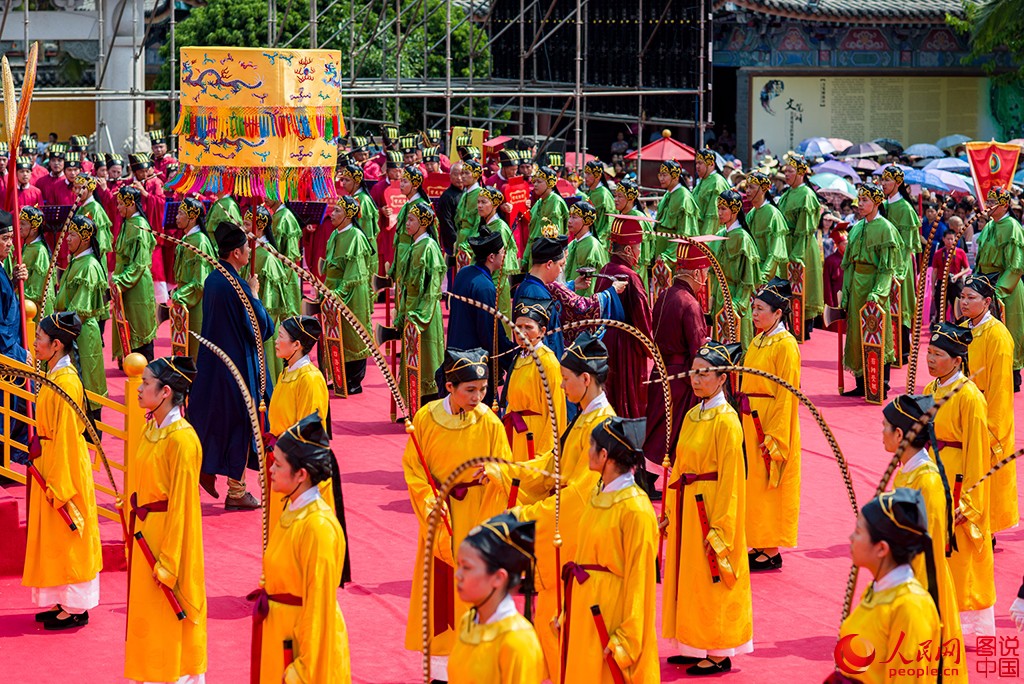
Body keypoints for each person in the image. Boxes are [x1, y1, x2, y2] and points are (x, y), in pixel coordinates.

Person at [495, 332, 616, 678]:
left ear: (586, 379)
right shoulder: (585, 417)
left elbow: (579, 494)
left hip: (580, 544)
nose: (561, 386)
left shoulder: (602, 426)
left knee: (570, 640)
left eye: (565, 379)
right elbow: (553, 463)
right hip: (564, 540)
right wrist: (509, 472)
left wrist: (524, 517)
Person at [402, 348, 510, 680]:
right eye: (470, 389)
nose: (479, 396)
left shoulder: (489, 421)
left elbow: (506, 466)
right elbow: (414, 469)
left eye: (483, 388)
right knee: (438, 592)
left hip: (476, 514)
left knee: (474, 587)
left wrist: (492, 472)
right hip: (439, 515)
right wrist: (429, 501)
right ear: (450, 386)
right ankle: (438, 670)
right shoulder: (426, 418)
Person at [662, 340, 752, 675]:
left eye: (704, 374)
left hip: (710, 507)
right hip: (688, 503)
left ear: (722, 378)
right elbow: (680, 466)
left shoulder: (727, 421)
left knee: (710, 577)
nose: (696, 379)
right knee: (689, 578)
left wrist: (722, 526)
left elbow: (732, 481)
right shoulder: (692, 414)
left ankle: (717, 650)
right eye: (694, 373)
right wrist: (670, 511)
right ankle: (691, 641)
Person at [125, 355, 208, 683]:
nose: (139, 388)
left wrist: (170, 563)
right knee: (149, 615)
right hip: (147, 532)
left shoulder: (182, 439)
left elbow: (184, 507)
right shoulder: (151, 427)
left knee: (169, 614)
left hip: (170, 539)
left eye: (146, 383)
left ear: (165, 393)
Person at [253, 413, 351, 684]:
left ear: (301, 474)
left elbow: (320, 608)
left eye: (279, 464)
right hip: (281, 636)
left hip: (302, 650)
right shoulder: (292, 510)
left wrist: (304, 669)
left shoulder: (318, 526)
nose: (270, 468)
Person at [561, 416, 659, 683]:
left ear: (604, 455)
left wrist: (626, 640)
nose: (587, 452)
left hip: (611, 615)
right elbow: (582, 554)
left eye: (591, 446)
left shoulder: (636, 509)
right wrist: (567, 610)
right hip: (585, 609)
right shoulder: (598, 494)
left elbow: (642, 582)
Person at [23, 312, 102, 630]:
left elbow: (69, 438)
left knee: (68, 537)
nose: (36, 342)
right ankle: (58, 599)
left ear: (57, 345)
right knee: (54, 539)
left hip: (62, 468)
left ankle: (74, 606)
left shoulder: (66, 382)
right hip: (50, 460)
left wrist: (60, 484)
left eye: (40, 337)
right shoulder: (56, 375)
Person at [190, 221, 275, 510]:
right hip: (238, 365)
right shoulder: (238, 287)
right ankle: (237, 490)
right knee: (242, 422)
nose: (250, 252)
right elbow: (260, 329)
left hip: (214, 364)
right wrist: (254, 294)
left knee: (215, 419)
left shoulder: (213, 279)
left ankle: (207, 466)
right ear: (236, 253)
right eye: (246, 249)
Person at [882, 394, 967, 682]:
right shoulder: (906, 472)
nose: (881, 433)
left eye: (884, 427)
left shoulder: (926, 481)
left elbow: (924, 551)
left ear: (899, 434)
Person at [922, 322, 996, 637]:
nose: (930, 360)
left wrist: (968, 499)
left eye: (938, 354)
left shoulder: (970, 397)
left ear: (956, 360)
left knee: (959, 553)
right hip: (933, 476)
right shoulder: (930, 391)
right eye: (929, 353)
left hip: (957, 480)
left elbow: (978, 455)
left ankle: (961, 621)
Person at [836, 489, 942, 684]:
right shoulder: (876, 589)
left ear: (882, 548)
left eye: (858, 532)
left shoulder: (910, 607)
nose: (851, 538)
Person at [741, 279, 801, 570]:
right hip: (750, 419)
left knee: (769, 482)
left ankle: (771, 548)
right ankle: (758, 541)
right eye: (754, 308)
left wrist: (776, 435)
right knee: (754, 485)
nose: (755, 313)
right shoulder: (759, 339)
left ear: (778, 313)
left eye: (761, 309)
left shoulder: (786, 345)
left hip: (770, 422)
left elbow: (787, 395)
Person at [449, 513, 546, 684]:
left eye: (467, 567)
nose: (458, 575)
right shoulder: (468, 621)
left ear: (498, 577)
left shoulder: (518, 641)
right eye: (459, 565)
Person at [642, 239, 710, 474]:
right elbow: (698, 349)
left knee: (657, 426)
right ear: (697, 272)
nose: (706, 279)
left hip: (661, 370)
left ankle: (647, 475)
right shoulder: (690, 303)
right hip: (681, 377)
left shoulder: (665, 294)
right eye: (705, 273)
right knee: (672, 431)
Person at [960, 273, 1018, 532]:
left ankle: (986, 529)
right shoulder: (961, 330)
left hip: (985, 412)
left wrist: (991, 426)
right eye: (962, 297)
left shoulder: (998, 336)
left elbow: (1001, 389)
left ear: (986, 302)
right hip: (962, 409)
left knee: (983, 473)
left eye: (970, 298)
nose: (964, 302)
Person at [840, 183, 901, 398]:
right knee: (856, 332)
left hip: (874, 284)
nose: (860, 204)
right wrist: (846, 292)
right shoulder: (857, 227)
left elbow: (887, 268)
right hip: (856, 283)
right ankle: (861, 382)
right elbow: (849, 265)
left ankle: (880, 383)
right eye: (859, 200)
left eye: (865, 200)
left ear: (877, 202)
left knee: (877, 332)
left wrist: (877, 292)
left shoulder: (885, 228)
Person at [444, 227, 513, 406]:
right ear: (491, 257)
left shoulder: (464, 273)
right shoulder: (484, 287)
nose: (504, 255)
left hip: (454, 354)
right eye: (502, 252)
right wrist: (509, 357)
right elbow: (488, 331)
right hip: (474, 362)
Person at [594, 215, 653, 421]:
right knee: (626, 397)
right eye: (638, 248)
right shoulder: (630, 276)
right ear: (628, 250)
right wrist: (650, 348)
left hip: (603, 341)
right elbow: (642, 319)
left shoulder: (606, 270)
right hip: (625, 345)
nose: (639, 253)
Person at [54, 215, 109, 419]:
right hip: (71, 329)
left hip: (80, 333)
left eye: (73, 235)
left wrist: (56, 326)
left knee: (86, 381)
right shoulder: (77, 260)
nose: (67, 239)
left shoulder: (89, 265)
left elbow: (80, 311)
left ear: (85, 239)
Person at [503, 298, 567, 462]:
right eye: (518, 327)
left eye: (528, 327)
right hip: (515, 431)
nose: (521, 333)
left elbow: (557, 410)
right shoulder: (520, 356)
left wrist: (545, 453)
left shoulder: (547, 361)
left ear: (542, 331)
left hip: (535, 434)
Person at [396, 202, 447, 407]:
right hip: (411, 308)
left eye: (411, 220)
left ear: (424, 223)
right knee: (412, 358)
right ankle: (414, 403)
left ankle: (428, 403)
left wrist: (419, 314)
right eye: (407, 219)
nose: (407, 224)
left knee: (426, 359)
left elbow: (432, 287)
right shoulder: (414, 245)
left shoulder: (429, 247)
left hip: (424, 312)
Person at [321, 195, 373, 395]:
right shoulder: (335, 234)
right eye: (333, 210)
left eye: (337, 211)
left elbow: (355, 272)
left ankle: (354, 380)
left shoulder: (356, 237)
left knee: (353, 334)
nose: (332, 214)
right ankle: (339, 375)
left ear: (349, 215)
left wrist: (338, 292)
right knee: (337, 333)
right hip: (334, 291)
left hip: (352, 291)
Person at [241, 205, 299, 384]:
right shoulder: (253, 251)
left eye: (247, 224)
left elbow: (271, 307)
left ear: (260, 227)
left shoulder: (267, 259)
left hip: (262, 329)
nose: (243, 228)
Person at [975, 186, 1024, 389]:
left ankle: (1012, 376)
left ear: (1004, 205)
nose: (988, 206)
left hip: (1005, 286)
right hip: (986, 285)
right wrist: (976, 283)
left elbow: (1016, 265)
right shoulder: (989, 226)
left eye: (992, 202)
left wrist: (998, 291)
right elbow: (980, 259)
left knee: (1009, 329)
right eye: (987, 202)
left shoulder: (1012, 227)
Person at [777, 154, 823, 339]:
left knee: (802, 286)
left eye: (790, 171)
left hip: (801, 245)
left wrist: (796, 255)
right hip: (787, 243)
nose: (786, 174)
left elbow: (804, 229)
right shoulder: (787, 193)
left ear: (801, 173)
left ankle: (803, 327)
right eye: (785, 170)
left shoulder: (806, 195)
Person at [112, 185, 158, 361]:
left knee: (139, 322)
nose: (118, 208)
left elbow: (139, 263)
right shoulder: (128, 222)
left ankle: (143, 360)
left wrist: (121, 281)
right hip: (127, 281)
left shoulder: (139, 225)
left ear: (130, 204)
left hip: (136, 283)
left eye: (120, 204)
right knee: (127, 321)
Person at [709, 190, 761, 349]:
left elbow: (747, 281)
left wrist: (736, 304)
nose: (719, 213)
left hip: (736, 299)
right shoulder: (719, 234)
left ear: (735, 210)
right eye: (718, 208)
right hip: (719, 297)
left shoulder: (743, 239)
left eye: (723, 209)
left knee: (737, 344)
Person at [880, 166, 920, 362]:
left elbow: (907, 247)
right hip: (884, 265)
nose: (883, 184)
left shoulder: (904, 208)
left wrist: (899, 271)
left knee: (900, 305)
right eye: (882, 180)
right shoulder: (883, 205)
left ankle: (903, 349)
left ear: (897, 183)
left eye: (887, 180)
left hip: (899, 267)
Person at [170, 197, 216, 360]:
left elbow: (200, 282)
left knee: (195, 348)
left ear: (192, 216)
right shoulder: (186, 239)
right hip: (186, 300)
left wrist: (179, 295)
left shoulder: (200, 242)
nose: (176, 217)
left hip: (195, 303)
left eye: (181, 213)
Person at [475, 185, 520, 318]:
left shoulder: (500, 227)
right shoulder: (486, 224)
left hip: (496, 286)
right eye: (478, 202)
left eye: (484, 202)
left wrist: (491, 288)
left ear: (495, 205)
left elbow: (501, 263)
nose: (479, 206)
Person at [743, 171, 788, 282]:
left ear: (763, 189)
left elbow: (775, 252)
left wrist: (763, 276)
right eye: (746, 187)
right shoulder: (751, 213)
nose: (747, 191)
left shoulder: (773, 214)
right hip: (752, 273)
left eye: (751, 187)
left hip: (768, 275)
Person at [522, 166, 569, 271]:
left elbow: (556, 236)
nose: (535, 184)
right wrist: (525, 257)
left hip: (546, 258)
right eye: (534, 181)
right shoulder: (538, 203)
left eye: (539, 182)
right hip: (534, 253)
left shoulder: (555, 202)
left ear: (550, 183)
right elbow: (532, 234)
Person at [564, 201, 608, 298]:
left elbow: (591, 285)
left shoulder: (592, 246)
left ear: (587, 221)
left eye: (574, 217)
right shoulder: (573, 243)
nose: (569, 221)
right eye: (570, 216)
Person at [18, 206, 53, 323]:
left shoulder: (40, 251)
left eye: (23, 224)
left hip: (35, 311)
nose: (19, 227)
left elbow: (36, 292)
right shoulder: (27, 245)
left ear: (34, 228)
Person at [930, 227, 970, 324]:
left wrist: (957, 276)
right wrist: (933, 288)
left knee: (958, 309)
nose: (950, 241)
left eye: (952, 239)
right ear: (943, 239)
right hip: (942, 283)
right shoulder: (938, 253)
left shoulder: (960, 252)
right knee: (941, 309)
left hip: (956, 283)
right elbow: (934, 271)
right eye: (948, 239)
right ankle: (940, 330)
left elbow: (967, 268)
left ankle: (960, 330)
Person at [73, 173, 113, 262]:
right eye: (75, 188)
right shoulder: (81, 208)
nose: (76, 192)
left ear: (90, 189)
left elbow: (101, 242)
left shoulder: (95, 209)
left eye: (80, 188)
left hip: (92, 259)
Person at [693, 149, 732, 236]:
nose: (697, 166)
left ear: (711, 164)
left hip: (710, 234)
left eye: (700, 163)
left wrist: (705, 241)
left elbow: (714, 216)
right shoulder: (703, 181)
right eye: (696, 163)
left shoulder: (717, 182)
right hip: (697, 231)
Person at [454, 160, 485, 266]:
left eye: (467, 173)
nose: (463, 176)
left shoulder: (479, 194)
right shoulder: (465, 194)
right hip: (461, 238)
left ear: (476, 175)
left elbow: (478, 223)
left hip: (470, 242)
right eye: (462, 173)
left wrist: (469, 244)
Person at [582, 159, 616, 245]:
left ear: (598, 176)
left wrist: (600, 240)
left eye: (589, 174)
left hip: (600, 241)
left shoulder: (604, 195)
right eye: (585, 173)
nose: (585, 177)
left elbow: (609, 221)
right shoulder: (591, 191)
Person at [823, 224, 847, 310]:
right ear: (837, 245)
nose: (847, 247)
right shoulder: (830, 260)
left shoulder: (851, 260)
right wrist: (830, 305)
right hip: (835, 297)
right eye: (844, 244)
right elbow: (827, 285)